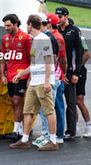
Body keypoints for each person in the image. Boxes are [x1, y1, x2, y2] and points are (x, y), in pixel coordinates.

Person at [10, 15, 58, 151]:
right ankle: (24, 140)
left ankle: (53, 141)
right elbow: (35, 65)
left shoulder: (43, 40)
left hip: (43, 82)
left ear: (30, 24)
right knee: (28, 111)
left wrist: (47, 82)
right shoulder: (35, 40)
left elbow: (49, 61)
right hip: (34, 82)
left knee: (49, 111)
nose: (26, 27)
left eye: (27, 24)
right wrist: (20, 74)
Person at [0, 14, 32, 141]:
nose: (6, 28)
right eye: (5, 26)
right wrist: (2, 75)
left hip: (22, 75)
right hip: (10, 76)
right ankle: (18, 129)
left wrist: (29, 77)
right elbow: (2, 58)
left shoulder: (26, 38)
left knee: (18, 101)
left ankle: (16, 131)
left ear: (15, 24)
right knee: (14, 102)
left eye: (8, 25)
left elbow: (32, 59)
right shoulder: (5, 38)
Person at [31, 13, 60, 147]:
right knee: (44, 110)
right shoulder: (41, 38)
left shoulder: (48, 38)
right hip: (46, 77)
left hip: (49, 78)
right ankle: (45, 134)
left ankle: (49, 136)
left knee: (48, 110)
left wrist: (48, 79)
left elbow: (51, 59)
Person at [55, 7, 83, 141]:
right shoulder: (53, 30)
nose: (58, 19)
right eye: (57, 16)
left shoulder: (74, 31)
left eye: (60, 16)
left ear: (66, 16)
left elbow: (79, 53)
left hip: (69, 72)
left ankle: (71, 131)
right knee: (56, 102)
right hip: (56, 72)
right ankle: (55, 130)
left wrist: (76, 73)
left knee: (70, 103)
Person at [46, 13, 67, 143]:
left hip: (57, 76)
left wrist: (64, 74)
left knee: (57, 106)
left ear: (48, 24)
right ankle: (54, 133)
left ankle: (59, 134)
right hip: (56, 75)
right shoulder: (53, 36)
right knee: (53, 106)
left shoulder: (57, 37)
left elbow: (63, 59)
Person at [75, 35, 91, 138]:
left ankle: (89, 127)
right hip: (70, 71)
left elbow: (87, 54)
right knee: (71, 101)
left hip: (79, 71)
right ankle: (75, 127)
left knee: (79, 100)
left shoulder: (80, 37)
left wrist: (77, 68)